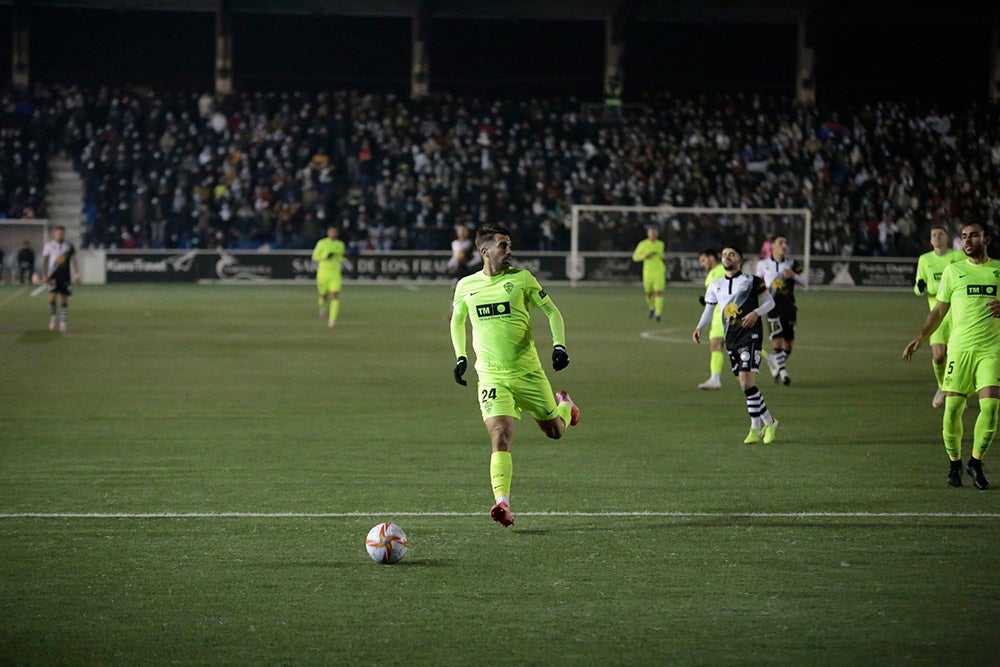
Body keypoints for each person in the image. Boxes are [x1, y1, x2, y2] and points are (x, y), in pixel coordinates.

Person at [450, 223, 581, 528]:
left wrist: (559, 346)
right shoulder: (466, 286)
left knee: (556, 431)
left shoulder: (522, 279)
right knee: (500, 436)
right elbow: (458, 321)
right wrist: (461, 357)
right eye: (503, 246)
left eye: (509, 245)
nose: (509, 251)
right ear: (485, 251)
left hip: (529, 373)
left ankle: (565, 405)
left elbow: (552, 311)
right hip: (492, 377)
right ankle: (502, 504)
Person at [903, 221, 1000, 490]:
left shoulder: (998, 270)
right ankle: (955, 463)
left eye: (974, 236)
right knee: (952, 410)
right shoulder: (953, 271)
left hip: (990, 351)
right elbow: (938, 312)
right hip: (959, 349)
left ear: (986, 239)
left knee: (991, 408)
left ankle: (976, 463)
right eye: (965, 237)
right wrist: (921, 338)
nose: (968, 241)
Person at [693, 246, 778, 444]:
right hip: (731, 337)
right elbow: (709, 310)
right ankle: (769, 421)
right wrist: (699, 328)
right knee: (745, 385)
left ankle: (754, 428)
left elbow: (770, 303)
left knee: (746, 382)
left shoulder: (752, 281)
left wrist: (756, 312)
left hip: (751, 335)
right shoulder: (716, 285)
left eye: (731, 254)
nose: (726, 257)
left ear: (740, 260)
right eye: (724, 255)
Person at [913, 225, 964, 408]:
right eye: (934, 235)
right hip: (937, 315)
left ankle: (955, 392)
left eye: (940, 234)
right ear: (930, 240)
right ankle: (942, 387)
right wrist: (919, 287)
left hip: (957, 314)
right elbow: (918, 287)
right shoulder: (925, 260)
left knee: (955, 356)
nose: (937, 237)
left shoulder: (958, 257)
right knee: (939, 357)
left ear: (947, 238)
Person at [755, 234, 808, 385]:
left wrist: (794, 276)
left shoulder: (793, 264)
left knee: (789, 344)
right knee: (777, 341)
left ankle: (775, 362)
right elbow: (756, 283)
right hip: (772, 307)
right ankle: (783, 374)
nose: (784, 245)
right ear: (772, 246)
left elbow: (806, 283)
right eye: (780, 243)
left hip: (789, 307)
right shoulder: (763, 264)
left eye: (785, 242)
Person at [696, 248, 727, 390]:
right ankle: (771, 359)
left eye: (703, 260)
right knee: (726, 345)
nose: (702, 264)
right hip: (716, 313)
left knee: (717, 344)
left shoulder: (721, 270)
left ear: (712, 258)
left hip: (723, 313)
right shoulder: (711, 275)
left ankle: (715, 379)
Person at [41, 225, 80, 332]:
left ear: (64, 234)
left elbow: (74, 261)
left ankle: (63, 322)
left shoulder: (69, 246)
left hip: (65, 276)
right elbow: (45, 261)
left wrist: (77, 275)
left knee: (64, 299)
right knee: (52, 298)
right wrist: (44, 275)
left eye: (62, 233)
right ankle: (53, 318)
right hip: (52, 276)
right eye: (58, 233)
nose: (60, 235)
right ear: (55, 234)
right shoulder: (49, 245)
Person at [311, 225, 346, 328]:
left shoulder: (340, 244)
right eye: (331, 232)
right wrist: (325, 256)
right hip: (323, 274)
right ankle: (322, 308)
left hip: (335, 274)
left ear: (337, 234)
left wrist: (348, 256)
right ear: (328, 233)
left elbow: (341, 257)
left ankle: (332, 320)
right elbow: (314, 256)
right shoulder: (321, 243)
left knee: (335, 295)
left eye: (334, 232)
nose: (332, 234)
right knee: (323, 296)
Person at [631, 225, 666, 322]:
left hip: (659, 271)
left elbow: (662, 255)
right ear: (648, 234)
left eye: (655, 232)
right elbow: (635, 257)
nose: (653, 234)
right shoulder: (642, 244)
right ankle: (651, 308)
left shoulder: (661, 244)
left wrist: (662, 256)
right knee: (649, 294)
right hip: (647, 272)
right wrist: (644, 256)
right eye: (651, 233)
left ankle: (658, 314)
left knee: (658, 292)